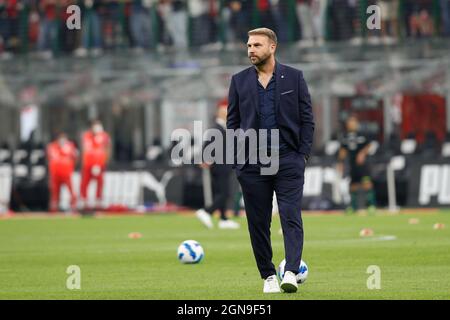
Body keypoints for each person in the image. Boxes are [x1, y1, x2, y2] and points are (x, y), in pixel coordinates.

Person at [226, 28, 314, 293]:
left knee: (290, 215)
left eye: (257, 45)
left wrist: (302, 156)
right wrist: (237, 163)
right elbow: (232, 124)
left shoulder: (295, 78)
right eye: (249, 45)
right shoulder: (238, 81)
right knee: (258, 222)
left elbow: (307, 119)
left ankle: (290, 272)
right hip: (252, 164)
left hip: (288, 160)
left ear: (272, 47)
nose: (251, 49)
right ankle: (268, 276)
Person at [196, 101, 241, 230]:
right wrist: (206, 158)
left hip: (224, 164)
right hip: (219, 166)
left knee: (222, 192)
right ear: (220, 113)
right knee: (224, 193)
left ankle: (223, 219)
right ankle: (206, 211)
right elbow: (208, 144)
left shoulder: (224, 127)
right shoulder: (216, 128)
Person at [337, 115, 376, 215]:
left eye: (354, 122)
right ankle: (353, 207)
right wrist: (340, 163)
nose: (352, 124)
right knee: (353, 185)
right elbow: (343, 150)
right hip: (352, 164)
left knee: (367, 183)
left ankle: (371, 206)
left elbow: (370, 145)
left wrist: (362, 153)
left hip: (363, 164)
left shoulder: (363, 134)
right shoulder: (344, 136)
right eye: (350, 122)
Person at [80, 119, 111, 210]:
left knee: (100, 183)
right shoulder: (86, 136)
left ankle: (98, 202)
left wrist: (103, 162)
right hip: (88, 164)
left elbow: (107, 148)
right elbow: (86, 149)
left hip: (100, 164)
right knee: (85, 183)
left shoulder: (104, 136)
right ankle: (84, 202)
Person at [47, 132, 78, 212]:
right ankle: (54, 210)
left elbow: (75, 157)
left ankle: (73, 207)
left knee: (71, 192)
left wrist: (72, 168)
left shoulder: (70, 146)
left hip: (66, 174)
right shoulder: (52, 146)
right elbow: (49, 158)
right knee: (55, 193)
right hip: (55, 174)